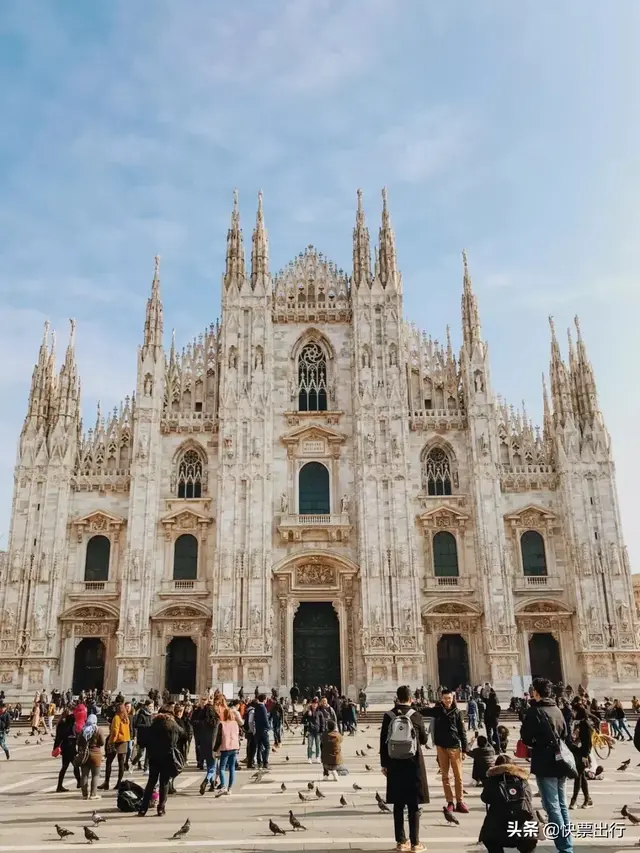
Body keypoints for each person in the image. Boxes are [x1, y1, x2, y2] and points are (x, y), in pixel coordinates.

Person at [520, 677, 573, 853]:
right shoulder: (557, 709)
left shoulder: (535, 712)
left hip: (545, 762)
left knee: (552, 807)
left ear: (536, 692)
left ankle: (564, 848)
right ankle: (567, 844)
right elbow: (565, 734)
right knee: (562, 806)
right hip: (561, 763)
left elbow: (526, 738)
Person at [380, 684, 429, 852]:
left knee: (398, 804)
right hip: (413, 764)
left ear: (397, 698)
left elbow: (383, 742)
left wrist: (384, 764)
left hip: (394, 764)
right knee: (414, 804)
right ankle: (415, 843)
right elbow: (423, 740)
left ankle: (401, 842)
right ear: (411, 698)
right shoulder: (416, 715)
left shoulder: (388, 716)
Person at [421, 688, 469, 813]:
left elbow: (462, 731)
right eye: (445, 698)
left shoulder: (458, 712)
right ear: (441, 699)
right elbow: (424, 711)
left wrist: (465, 749)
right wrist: (409, 707)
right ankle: (450, 802)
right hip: (441, 747)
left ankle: (460, 801)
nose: (447, 700)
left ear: (453, 699)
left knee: (458, 776)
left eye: (449, 698)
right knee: (445, 776)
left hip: (454, 747)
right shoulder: (438, 711)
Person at [479, 753, 538, 853]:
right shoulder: (523, 780)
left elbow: (485, 798)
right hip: (527, 830)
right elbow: (529, 798)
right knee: (528, 845)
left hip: (499, 830)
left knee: (489, 839)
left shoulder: (492, 780)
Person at [137, 706, 181, 817]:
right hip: (167, 758)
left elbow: (143, 743)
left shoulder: (151, 727)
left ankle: (143, 808)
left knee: (151, 783)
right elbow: (183, 734)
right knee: (164, 783)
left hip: (154, 758)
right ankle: (161, 808)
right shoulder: (172, 726)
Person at [100, 702, 130, 791]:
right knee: (121, 763)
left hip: (116, 741)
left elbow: (115, 731)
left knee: (109, 762)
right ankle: (119, 782)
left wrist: (111, 741)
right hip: (124, 741)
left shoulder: (116, 717)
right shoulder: (126, 718)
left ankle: (106, 782)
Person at [568, 705, 593, 809]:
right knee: (581, 777)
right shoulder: (581, 723)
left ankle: (573, 801)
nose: (573, 713)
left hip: (582, 754)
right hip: (579, 752)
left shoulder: (585, 725)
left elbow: (588, 743)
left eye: (574, 711)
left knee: (578, 777)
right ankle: (587, 799)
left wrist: (585, 756)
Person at [76, 713, 105, 800]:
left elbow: (78, 742)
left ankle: (85, 794)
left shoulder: (83, 730)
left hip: (85, 755)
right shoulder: (98, 730)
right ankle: (93, 794)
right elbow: (102, 742)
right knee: (95, 775)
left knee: (84, 775)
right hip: (96, 754)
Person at [53, 708, 81, 792]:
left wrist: (56, 747)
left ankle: (59, 785)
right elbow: (74, 732)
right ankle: (79, 782)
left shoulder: (61, 723)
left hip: (65, 748)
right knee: (75, 765)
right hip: (70, 747)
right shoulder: (69, 722)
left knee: (65, 767)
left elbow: (58, 737)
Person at [216, 705, 241, 795]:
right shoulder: (235, 724)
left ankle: (223, 785)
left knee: (222, 768)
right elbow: (238, 735)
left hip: (225, 747)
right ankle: (230, 788)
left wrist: (215, 749)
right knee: (232, 768)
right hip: (234, 747)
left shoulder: (222, 724)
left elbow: (219, 739)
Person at [303, 697, 324, 764]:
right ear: (311, 704)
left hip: (317, 731)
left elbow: (322, 722)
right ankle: (309, 757)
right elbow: (303, 720)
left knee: (318, 745)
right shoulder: (308, 712)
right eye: (313, 703)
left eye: (316, 703)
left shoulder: (320, 712)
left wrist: (322, 730)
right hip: (310, 731)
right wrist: (307, 721)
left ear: (317, 704)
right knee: (310, 745)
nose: (314, 705)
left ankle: (318, 757)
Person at [254, 693, 271, 769]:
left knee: (260, 746)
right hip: (263, 730)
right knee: (267, 746)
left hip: (258, 729)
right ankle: (265, 762)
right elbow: (265, 719)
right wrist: (268, 727)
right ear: (264, 699)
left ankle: (259, 761)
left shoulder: (256, 707)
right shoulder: (263, 707)